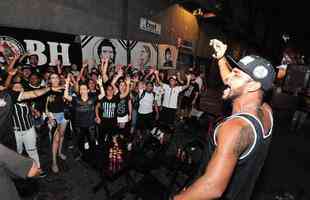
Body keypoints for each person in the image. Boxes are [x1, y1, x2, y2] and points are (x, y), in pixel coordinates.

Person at [173, 39, 275, 200]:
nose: (228, 78)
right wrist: (221, 58)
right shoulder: (266, 111)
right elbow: (231, 80)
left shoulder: (235, 128)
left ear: (253, 86)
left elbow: (211, 187)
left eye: (236, 74)